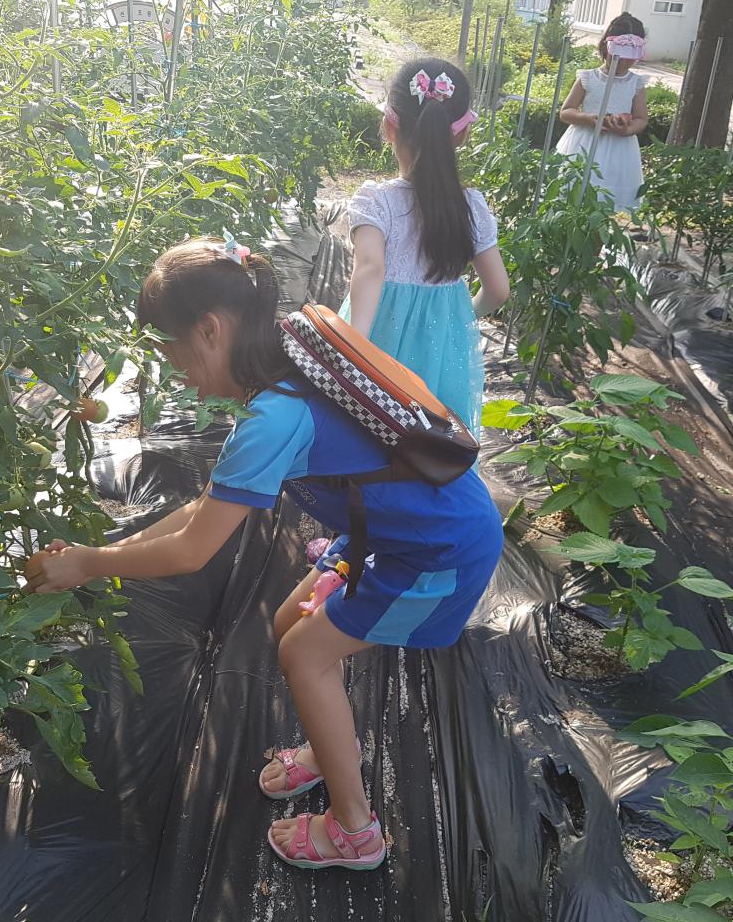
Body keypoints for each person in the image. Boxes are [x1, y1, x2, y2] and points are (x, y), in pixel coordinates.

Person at [27, 238, 505, 871]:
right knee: (290, 623)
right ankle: (333, 745)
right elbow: (205, 507)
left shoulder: (274, 420)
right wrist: (101, 549)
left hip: (434, 550)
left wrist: (89, 564)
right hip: (397, 528)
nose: (174, 368)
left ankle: (357, 833)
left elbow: (196, 549)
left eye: (170, 348)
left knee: (303, 656)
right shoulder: (291, 356)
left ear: (209, 330)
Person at [344, 58, 510, 434]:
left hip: (377, 335)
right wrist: (464, 314)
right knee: (435, 437)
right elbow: (499, 289)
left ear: (389, 126)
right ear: (462, 135)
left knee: (369, 427)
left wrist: (355, 346)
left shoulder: (376, 201)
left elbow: (370, 268)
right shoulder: (471, 207)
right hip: (443, 341)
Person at [556, 13, 649, 213]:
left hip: (619, 150)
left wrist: (627, 128)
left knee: (607, 203)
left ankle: (598, 241)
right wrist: (588, 118)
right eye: (618, 57)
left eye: (630, 59)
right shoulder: (589, 78)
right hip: (583, 144)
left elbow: (642, 118)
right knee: (575, 194)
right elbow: (565, 112)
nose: (624, 63)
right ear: (606, 48)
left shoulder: (636, 84)